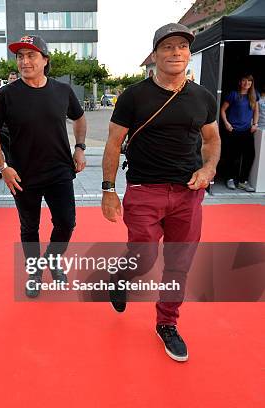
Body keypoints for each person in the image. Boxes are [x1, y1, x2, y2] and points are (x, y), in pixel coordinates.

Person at [101, 23, 221, 362]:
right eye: (168, 47)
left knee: (178, 264)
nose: (175, 53)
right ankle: (121, 275)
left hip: (188, 194)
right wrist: (109, 190)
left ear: (188, 53)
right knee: (144, 258)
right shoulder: (133, 96)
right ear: (155, 55)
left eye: (182, 47)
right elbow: (113, 143)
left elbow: (212, 141)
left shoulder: (203, 98)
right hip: (144, 190)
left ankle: (167, 322)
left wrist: (208, 169)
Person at [0, 35, 87, 298]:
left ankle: (52, 260)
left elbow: (79, 118)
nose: (24, 61)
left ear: (45, 60)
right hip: (22, 174)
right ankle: (34, 271)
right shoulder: (7, 94)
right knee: (29, 228)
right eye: (20, 56)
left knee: (66, 223)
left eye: (31, 55)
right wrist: (3, 166)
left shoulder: (62, 91)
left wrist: (80, 148)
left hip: (60, 171)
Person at [220, 74, 259, 191]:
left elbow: (256, 110)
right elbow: (222, 110)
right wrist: (226, 124)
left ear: (252, 83)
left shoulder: (254, 95)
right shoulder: (233, 94)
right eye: (244, 80)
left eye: (249, 81)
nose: (246, 83)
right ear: (240, 82)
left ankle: (243, 181)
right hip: (234, 130)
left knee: (249, 156)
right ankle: (230, 179)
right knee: (232, 157)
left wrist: (255, 124)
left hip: (247, 131)